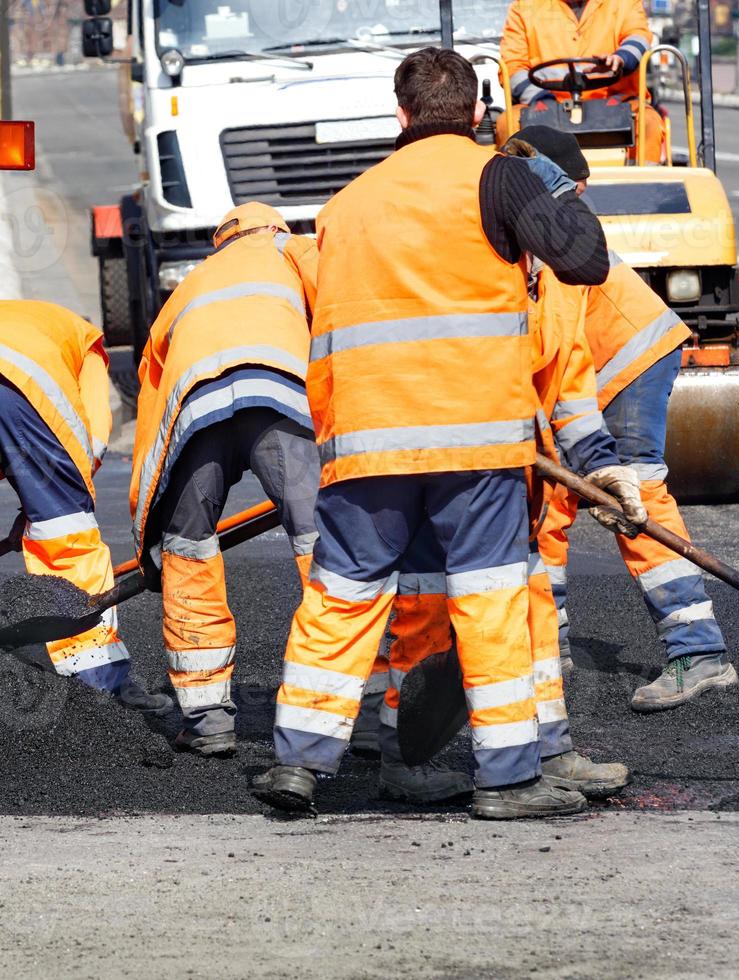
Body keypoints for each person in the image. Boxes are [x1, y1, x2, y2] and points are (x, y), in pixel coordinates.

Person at [250, 47, 635, 820]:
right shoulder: (495, 175)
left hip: (366, 441)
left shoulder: (346, 205)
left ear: (399, 114)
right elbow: (586, 262)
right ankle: (509, 778)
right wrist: (555, 184)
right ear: (478, 111)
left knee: (342, 595)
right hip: (473, 441)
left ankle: (298, 762)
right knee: (490, 599)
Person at [373, 129, 637, 806]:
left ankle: (547, 751)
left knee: (529, 607)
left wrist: (601, 466)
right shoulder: (454, 264)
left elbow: (568, 381)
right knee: (426, 613)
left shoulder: (553, 283)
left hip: (503, 473)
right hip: (428, 459)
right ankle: (406, 759)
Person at [507, 129, 737, 712]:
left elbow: (560, 356)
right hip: (602, 368)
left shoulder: (548, 235)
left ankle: (700, 651)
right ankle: (546, 646)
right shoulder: (533, 224)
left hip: (629, 361)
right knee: (548, 503)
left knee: (636, 495)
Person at [129, 202, 333, 756]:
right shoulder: (297, 251)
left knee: (187, 548)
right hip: (282, 400)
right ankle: (346, 715)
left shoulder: (192, 280)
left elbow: (151, 394)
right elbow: (344, 323)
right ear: (275, 228)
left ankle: (207, 721)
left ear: (221, 240)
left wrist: (148, 527)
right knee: (327, 548)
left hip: (195, 412)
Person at [0, 299, 170, 711]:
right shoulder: (86, 341)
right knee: (66, 535)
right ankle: (99, 685)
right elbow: (93, 436)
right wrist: (49, 503)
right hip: (19, 393)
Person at [501, 0, 662, 162]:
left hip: (616, 102)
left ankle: (644, 182)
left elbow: (638, 36)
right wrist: (541, 100)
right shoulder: (525, 7)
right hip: (543, 104)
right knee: (507, 123)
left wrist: (621, 59)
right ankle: (516, 183)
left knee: (649, 122)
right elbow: (512, 65)